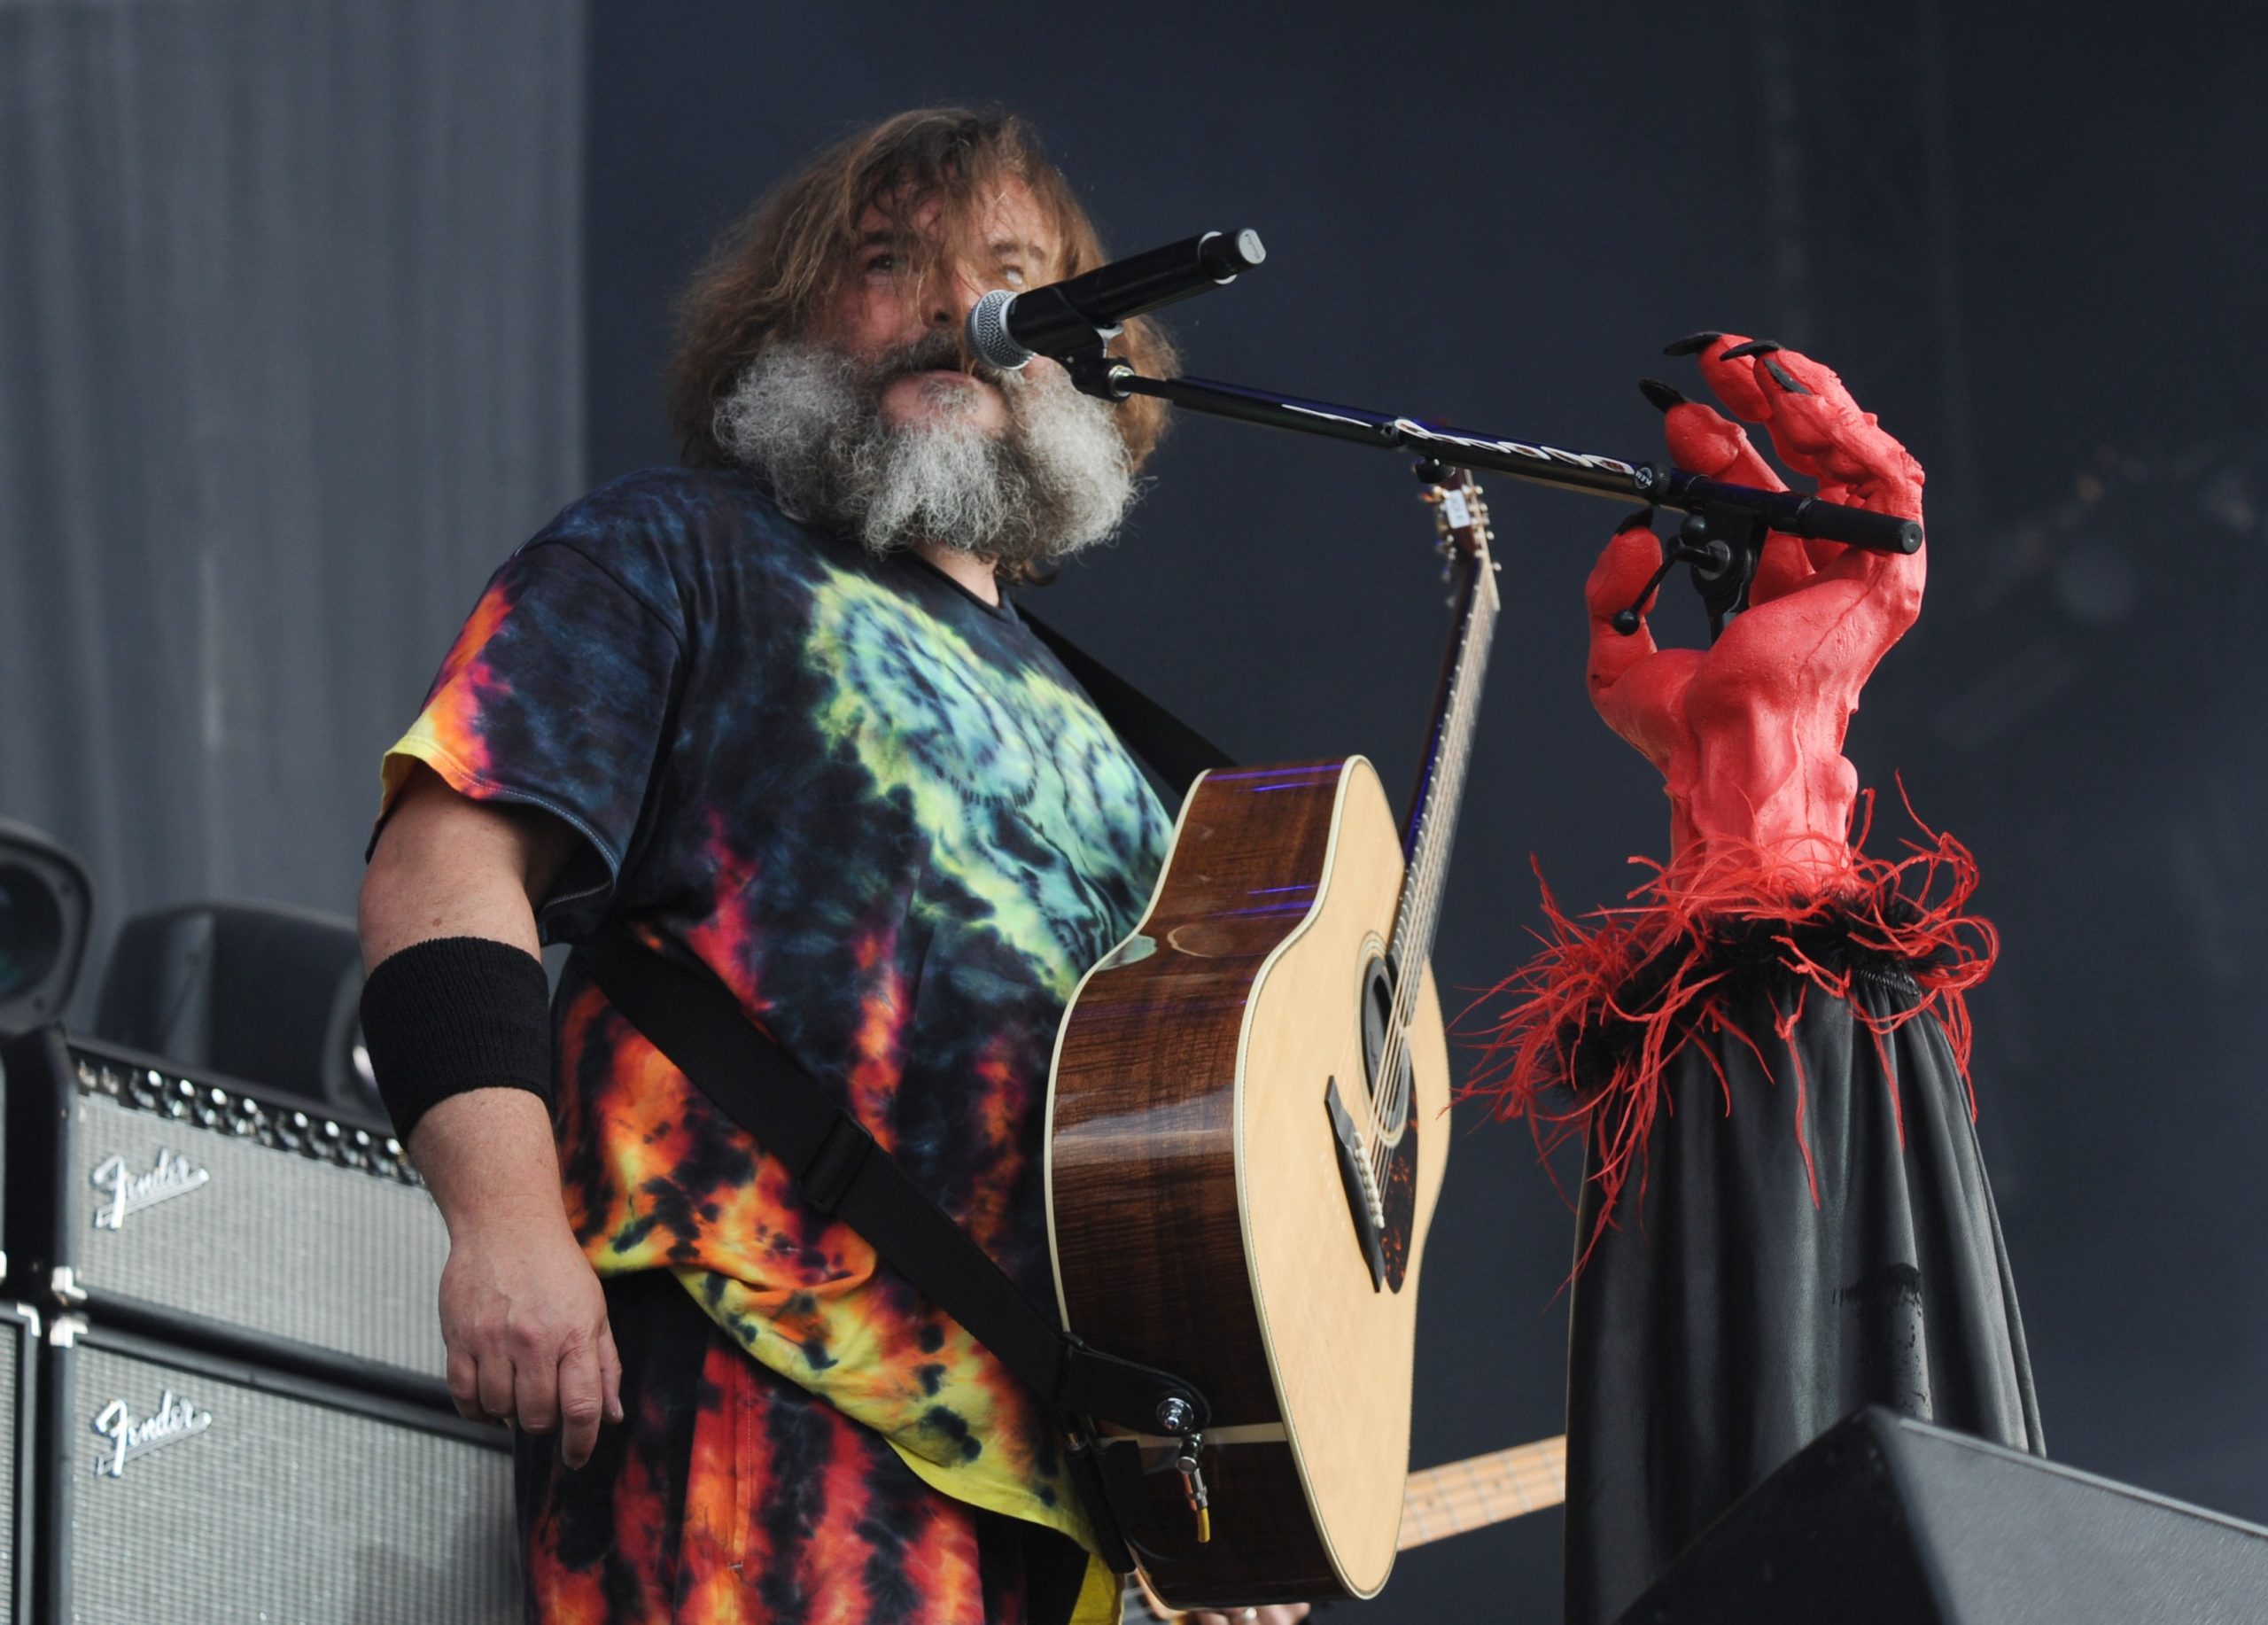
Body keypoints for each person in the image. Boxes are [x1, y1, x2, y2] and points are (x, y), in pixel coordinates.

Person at [357, 107, 1307, 1625]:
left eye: (1009, 273)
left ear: (1082, 356)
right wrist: (507, 1224)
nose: (953, 307)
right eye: (888, 262)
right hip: (764, 1391)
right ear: (785, 326)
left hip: (1056, 1498)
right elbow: (443, 863)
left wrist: (1232, 1483)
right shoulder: (679, 550)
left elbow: (1178, 1154)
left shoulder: (1135, 764)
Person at [1468, 335, 2045, 1624]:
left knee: (1836, 1288)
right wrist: (1628, 591)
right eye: (1710, 541)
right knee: (1724, 1323)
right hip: (1716, 1014)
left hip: (1810, 986)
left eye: (1737, 537)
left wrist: (1778, 398)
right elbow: (1619, 668)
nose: (1724, 553)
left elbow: (1895, 516)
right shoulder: (1703, 679)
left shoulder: (1823, 623)